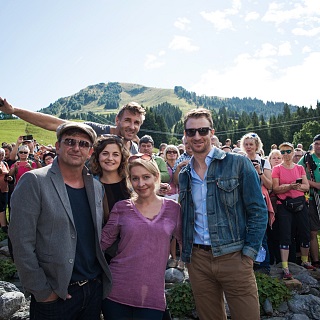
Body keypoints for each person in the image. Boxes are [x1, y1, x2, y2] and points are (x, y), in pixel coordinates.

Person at [8, 122, 112, 320]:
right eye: (70, 141)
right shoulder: (34, 181)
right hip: (55, 297)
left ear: (90, 152)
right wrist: (43, 292)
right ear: (57, 146)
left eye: (83, 144)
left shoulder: (96, 187)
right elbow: (20, 242)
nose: (76, 148)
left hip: (92, 290)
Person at [179, 108, 267, 320]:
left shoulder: (238, 163)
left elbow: (258, 211)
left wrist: (248, 254)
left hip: (234, 256)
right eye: (191, 132)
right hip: (198, 260)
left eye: (202, 130)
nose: (197, 136)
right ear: (185, 136)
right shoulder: (184, 174)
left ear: (212, 132)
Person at [100, 155, 182, 320]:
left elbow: (185, 243)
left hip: (152, 295)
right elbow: (102, 243)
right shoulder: (122, 208)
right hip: (116, 291)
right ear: (130, 181)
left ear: (156, 177)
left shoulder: (174, 209)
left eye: (146, 177)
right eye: (135, 178)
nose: (141, 183)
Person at [0, 98, 145, 154]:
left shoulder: (133, 148)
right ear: (117, 120)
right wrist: (14, 111)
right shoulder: (95, 131)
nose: (132, 126)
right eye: (127, 120)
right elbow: (52, 123)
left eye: (136, 122)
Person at [272, 142, 314, 280]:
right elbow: (276, 188)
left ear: (292, 152)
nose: (285, 155)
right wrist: (291, 186)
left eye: (288, 151)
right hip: (284, 204)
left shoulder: (300, 168)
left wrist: (292, 187)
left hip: (300, 203)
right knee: (285, 235)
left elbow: (306, 187)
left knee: (304, 232)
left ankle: (305, 261)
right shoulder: (277, 169)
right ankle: (285, 266)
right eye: (282, 152)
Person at [240, 132, 273, 274]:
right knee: (245, 232)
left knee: (261, 233)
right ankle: (248, 265)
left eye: (251, 144)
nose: (248, 147)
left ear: (257, 145)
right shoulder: (240, 160)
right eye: (246, 144)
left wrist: (259, 172)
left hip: (260, 201)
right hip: (243, 201)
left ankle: (264, 266)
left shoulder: (264, 162)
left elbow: (270, 184)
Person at [298, 134, 320, 268]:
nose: (318, 146)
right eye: (316, 144)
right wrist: (314, 184)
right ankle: (316, 261)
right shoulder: (306, 158)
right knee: (313, 231)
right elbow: (298, 176)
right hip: (312, 198)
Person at [0, 148, 10, 233]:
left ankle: (4, 223)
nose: (1, 157)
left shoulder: (4, 163)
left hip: (5, 188)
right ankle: (3, 227)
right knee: (1, 208)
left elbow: (8, 173)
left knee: (4, 205)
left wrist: (9, 177)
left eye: (2, 155)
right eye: (0, 155)